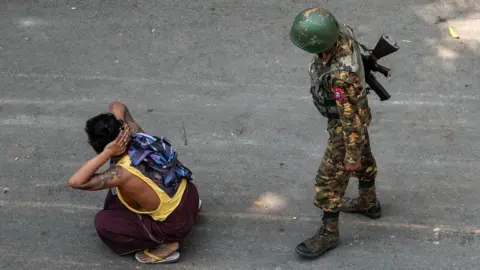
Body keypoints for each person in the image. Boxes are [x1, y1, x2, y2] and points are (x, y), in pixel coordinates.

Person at [289, 8, 382, 259]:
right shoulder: (340, 33)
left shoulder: (341, 77)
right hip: (357, 114)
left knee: (328, 181)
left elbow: (350, 121)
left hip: (346, 125)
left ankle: (328, 234)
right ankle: (368, 201)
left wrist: (350, 154)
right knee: (364, 155)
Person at [68, 101, 201, 264]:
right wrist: (121, 124)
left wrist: (106, 153)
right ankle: (189, 212)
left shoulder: (122, 173)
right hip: (190, 196)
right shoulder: (138, 135)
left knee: (104, 222)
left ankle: (167, 244)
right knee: (116, 195)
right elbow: (117, 105)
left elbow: (76, 182)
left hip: (176, 225)